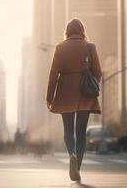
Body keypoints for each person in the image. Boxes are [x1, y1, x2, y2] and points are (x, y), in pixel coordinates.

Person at [46, 18, 102, 182]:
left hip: (65, 94)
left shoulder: (60, 48)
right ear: (82, 31)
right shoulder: (90, 47)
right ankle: (77, 168)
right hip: (85, 95)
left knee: (68, 131)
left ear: (67, 31)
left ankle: (71, 154)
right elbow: (98, 72)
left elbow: (53, 75)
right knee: (81, 133)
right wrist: (90, 84)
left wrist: (49, 98)